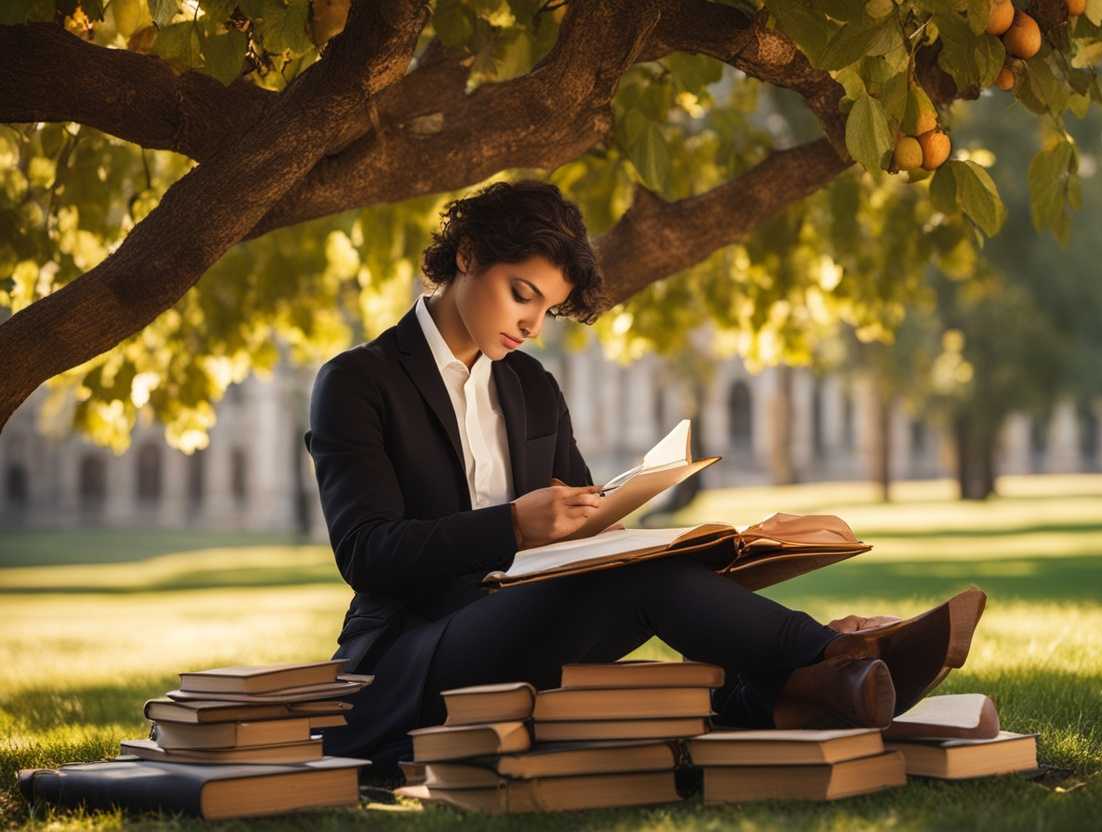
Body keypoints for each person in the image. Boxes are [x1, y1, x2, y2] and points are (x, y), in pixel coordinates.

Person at [305, 179, 920, 780]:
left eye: (546, 309)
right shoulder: (359, 382)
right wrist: (515, 524)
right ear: (466, 255)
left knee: (660, 567)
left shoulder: (532, 387)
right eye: (522, 294)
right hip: (409, 655)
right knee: (646, 582)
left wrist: (681, 542)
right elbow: (366, 553)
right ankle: (831, 658)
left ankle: (782, 693)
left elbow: (585, 522)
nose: (532, 326)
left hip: (526, 625)